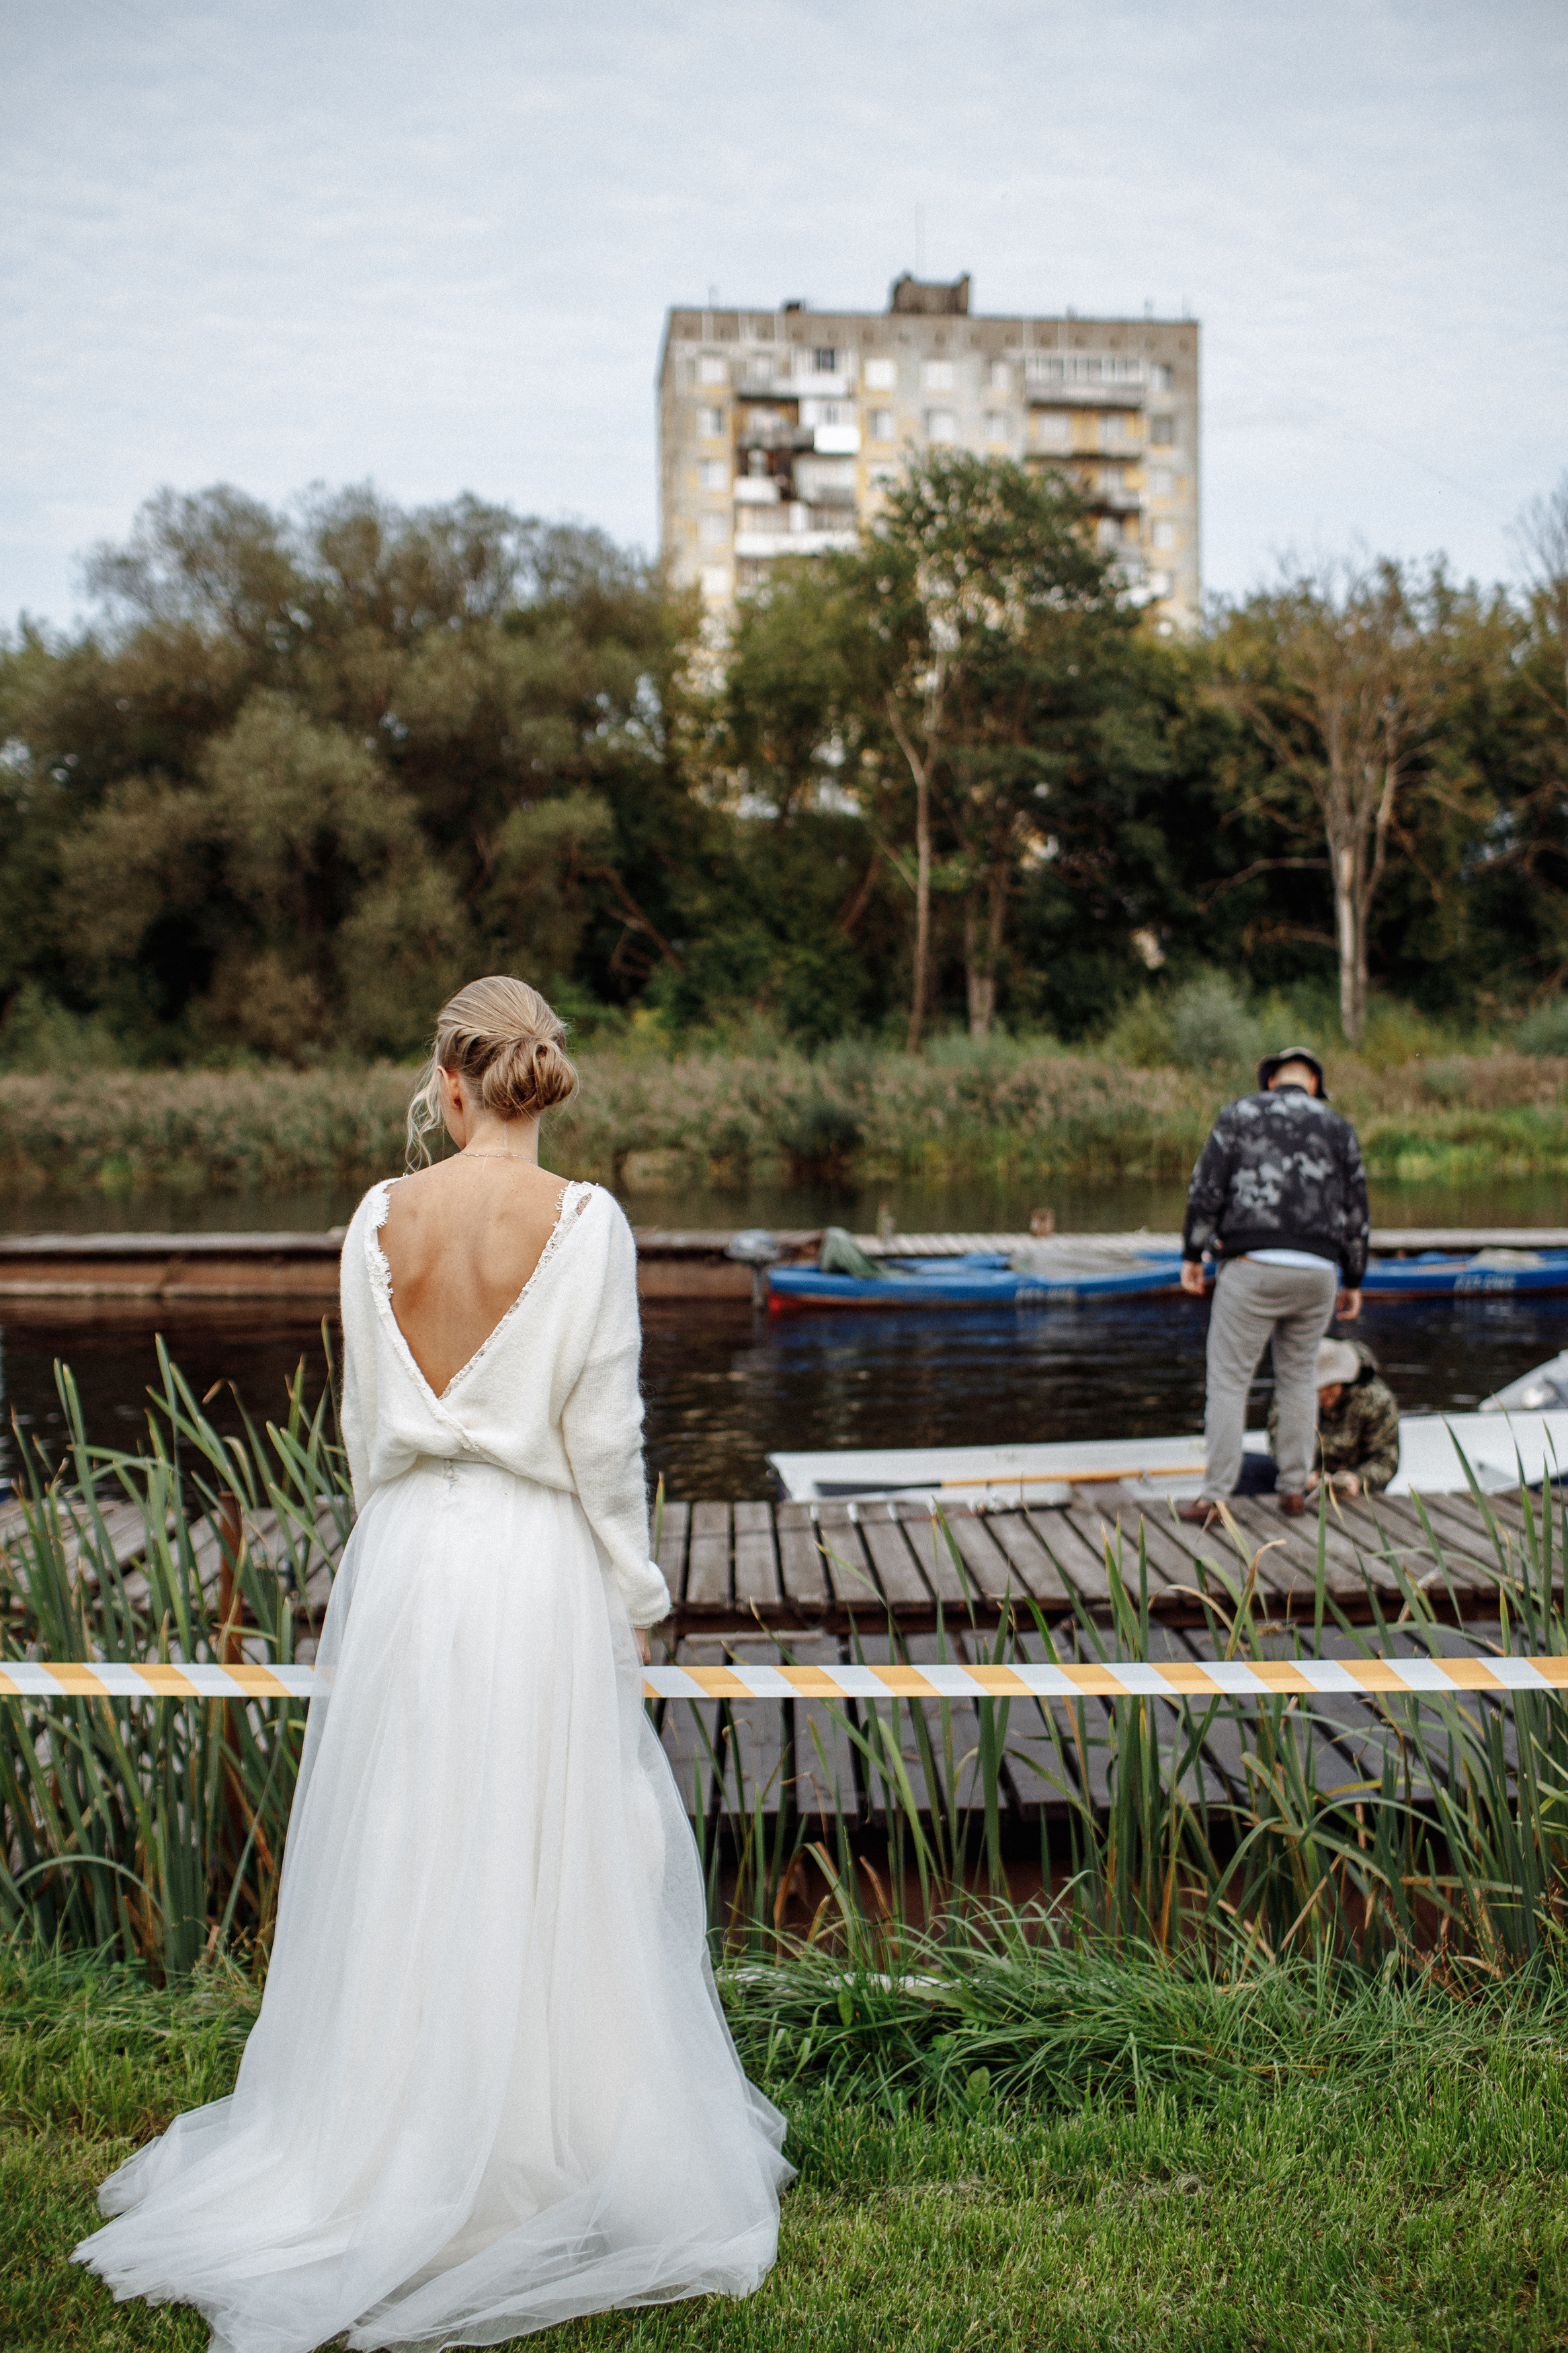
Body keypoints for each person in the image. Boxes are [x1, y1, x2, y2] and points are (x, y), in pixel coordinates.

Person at [75, 977, 792, 2352]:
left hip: (405, 1559)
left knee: (407, 1837)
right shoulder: (585, 1221)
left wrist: (397, 1544)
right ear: (533, 1076)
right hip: (532, 1566)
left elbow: (362, 1429)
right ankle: (531, 2141)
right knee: (541, 1839)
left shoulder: (374, 1218)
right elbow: (605, 1440)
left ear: (449, 1081)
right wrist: (636, 1590)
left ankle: (382, 2135)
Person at [1178, 1045, 1369, 1523]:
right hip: (1318, 1271)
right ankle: (1293, 1490)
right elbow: (1357, 1211)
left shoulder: (1239, 1113)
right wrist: (1354, 1278)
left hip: (1252, 1263)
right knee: (1299, 1379)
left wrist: (1193, 1253)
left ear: (1270, 1081)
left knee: (1229, 1381)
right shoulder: (1338, 1127)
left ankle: (1215, 1496)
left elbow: (1206, 1187)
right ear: (1313, 1085)